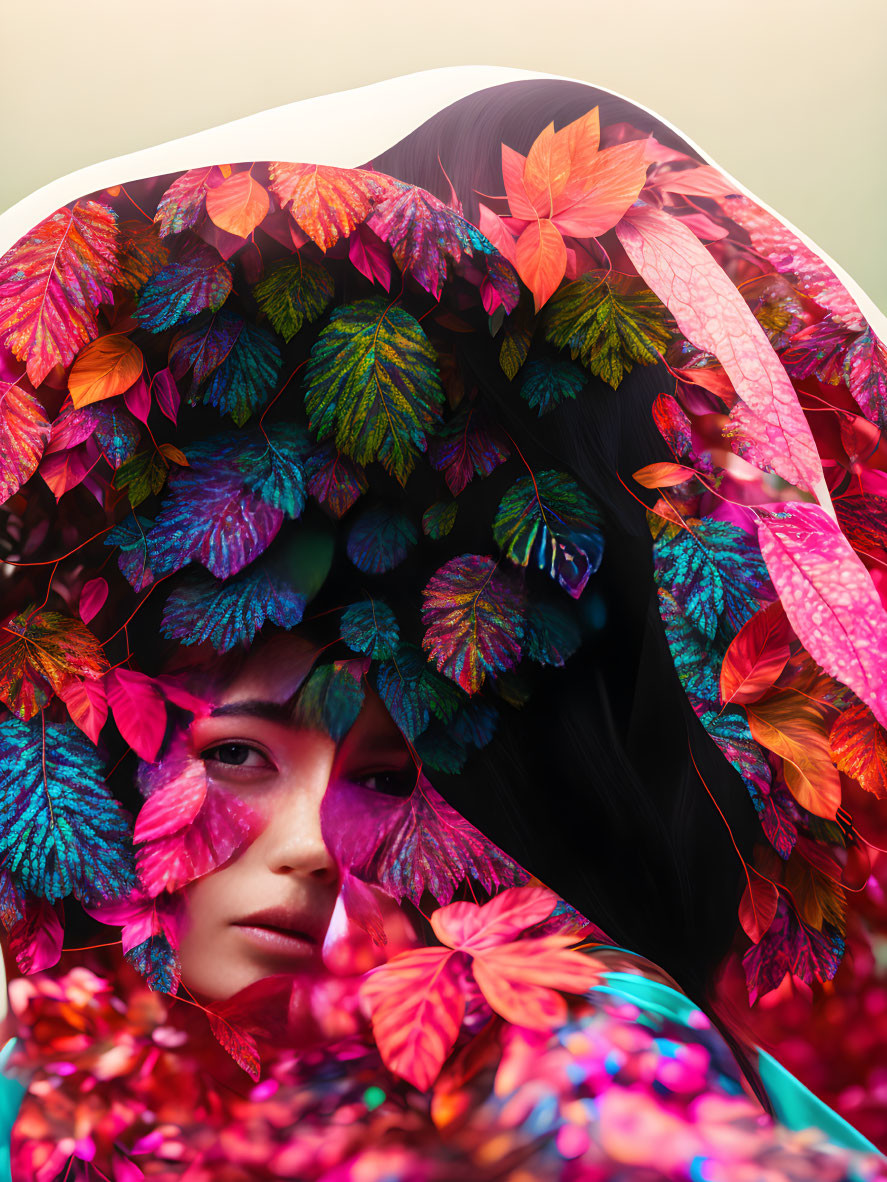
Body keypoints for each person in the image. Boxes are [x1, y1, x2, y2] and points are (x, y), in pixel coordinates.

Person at [0, 66, 885, 1180]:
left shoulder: (583, 1065)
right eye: (236, 758)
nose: (313, 851)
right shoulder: (47, 1103)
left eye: (382, 780)